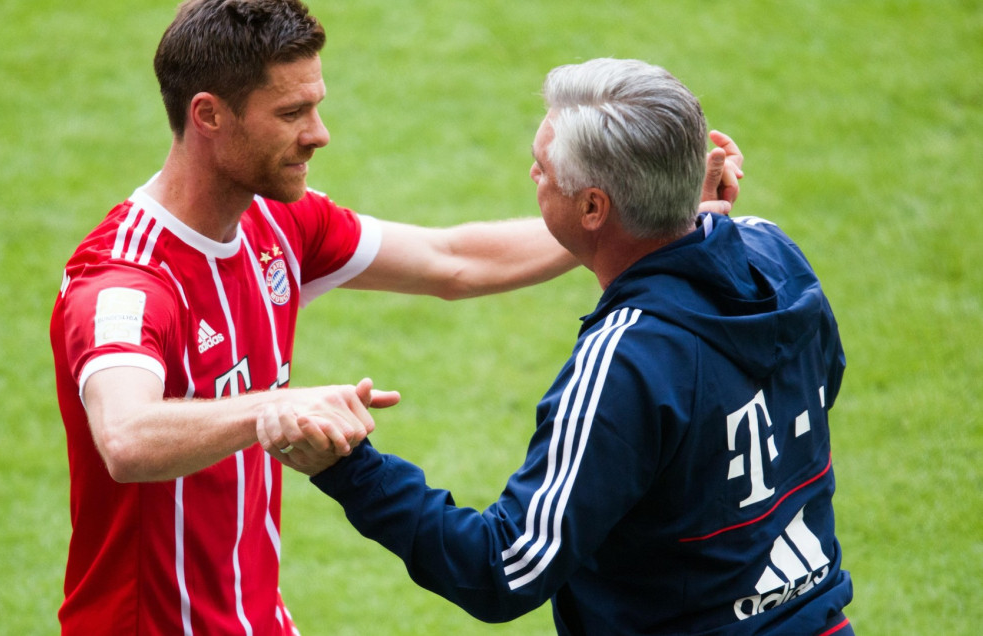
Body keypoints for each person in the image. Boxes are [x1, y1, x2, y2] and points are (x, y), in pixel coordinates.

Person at [49, 0, 742, 631]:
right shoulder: (124, 283)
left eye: (315, 105)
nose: (319, 134)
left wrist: (653, 217)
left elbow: (454, 261)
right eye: (291, 114)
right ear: (208, 116)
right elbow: (127, 437)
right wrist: (271, 410)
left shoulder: (279, 227)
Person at [265, 57, 853, 635]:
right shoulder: (774, 256)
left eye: (542, 167)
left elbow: (503, 569)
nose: (533, 176)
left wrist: (349, 467)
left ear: (593, 207)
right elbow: (823, 381)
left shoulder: (627, 359)